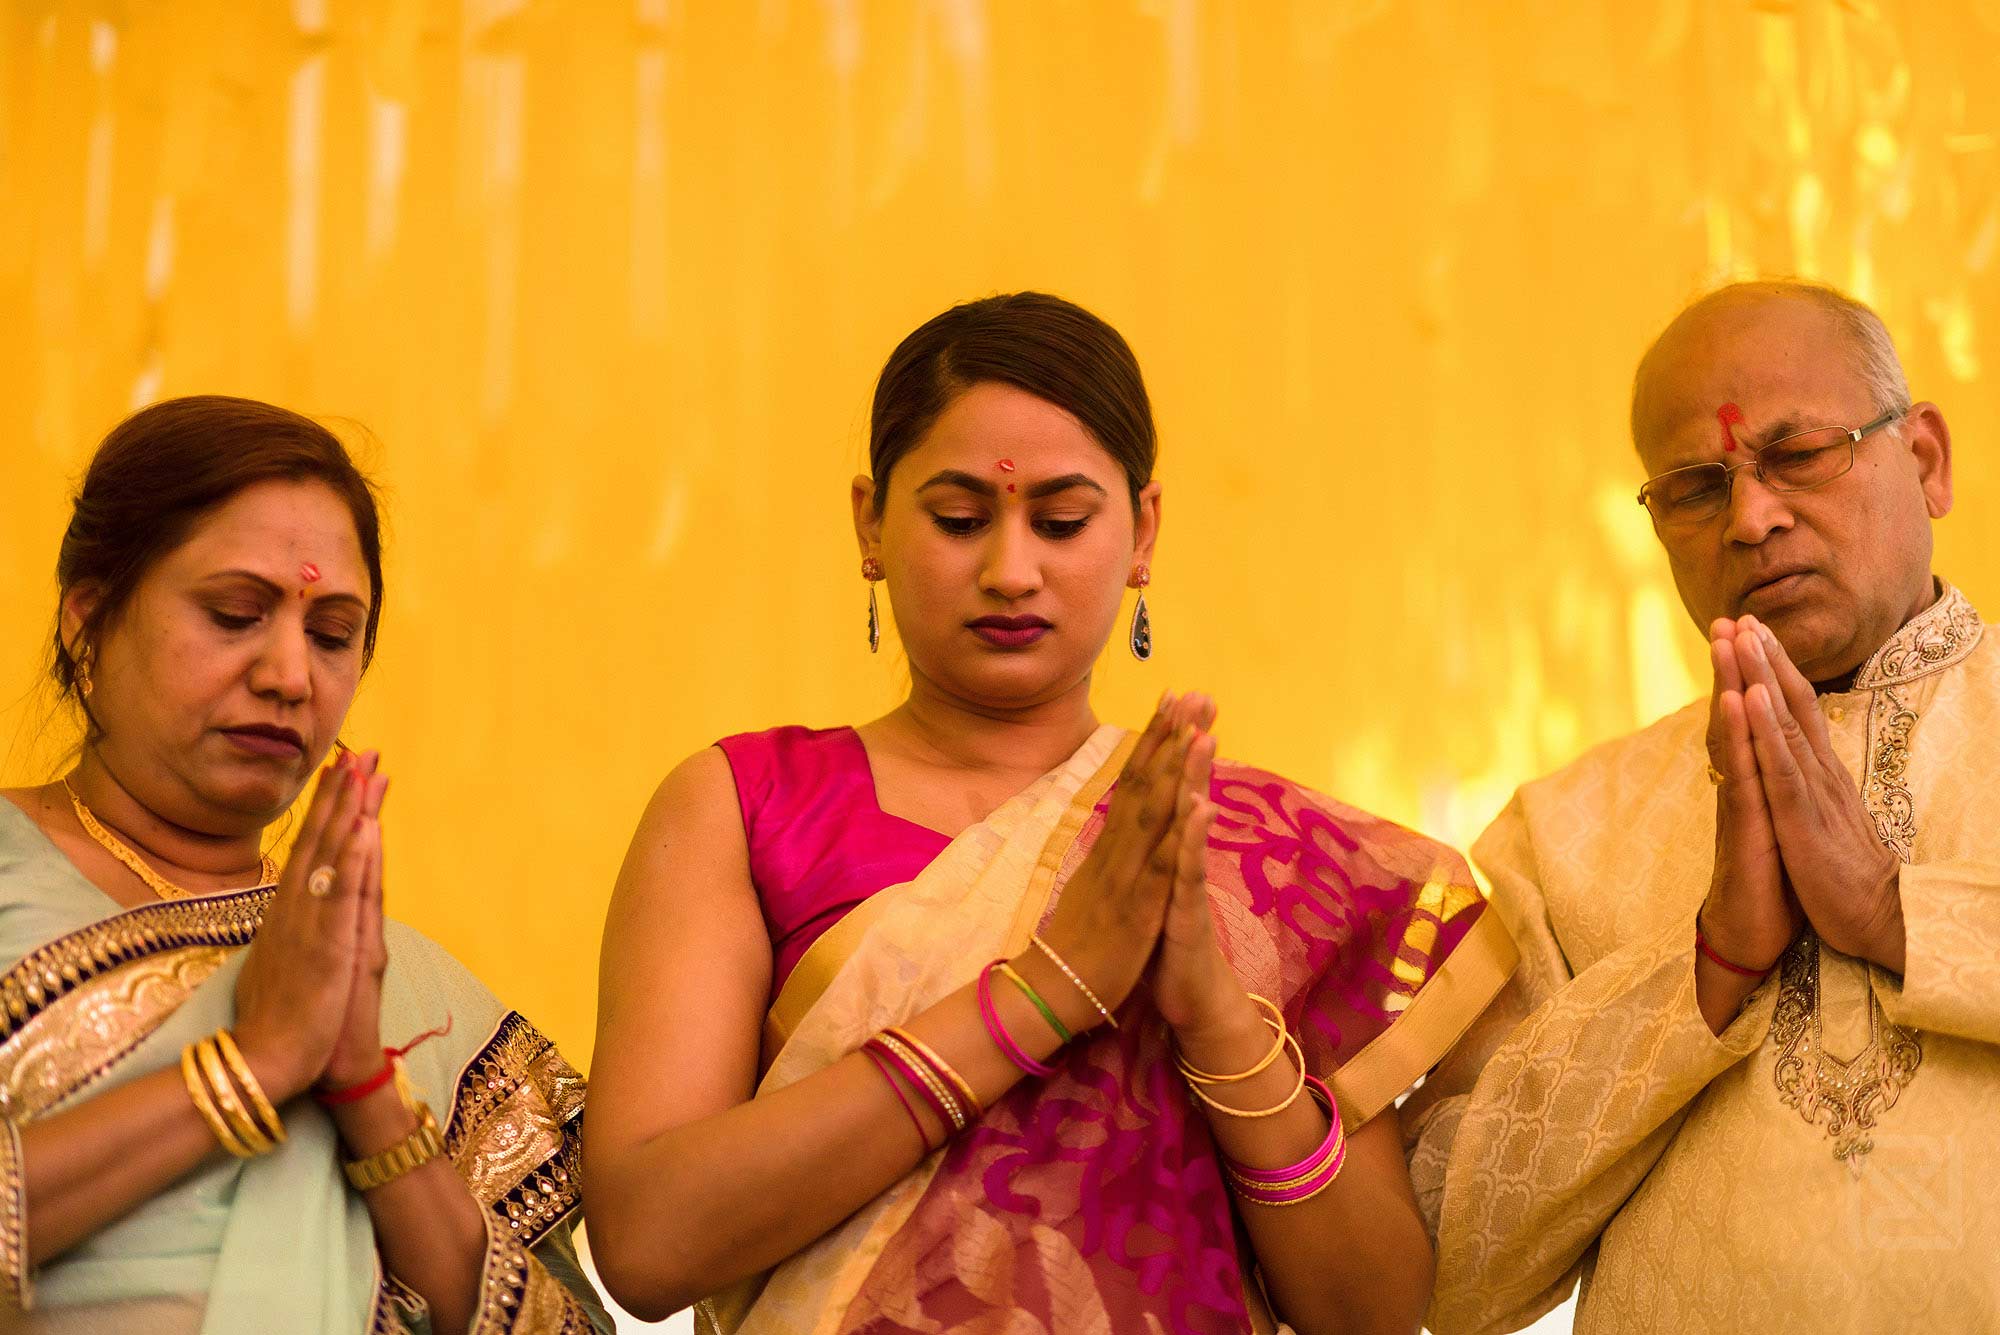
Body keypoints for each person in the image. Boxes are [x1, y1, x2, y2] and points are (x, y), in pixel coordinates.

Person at [586, 292, 1517, 1334]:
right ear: (868, 522)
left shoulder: (1255, 854)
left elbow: (1375, 1314)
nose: (1010, 570)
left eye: (1062, 521)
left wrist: (1213, 1012)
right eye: (958, 518)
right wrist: (1039, 997)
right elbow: (646, 1242)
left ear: (1143, 530)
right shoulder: (743, 806)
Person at [1407, 280, 2000, 1333]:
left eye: (1798, 454)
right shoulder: (1564, 833)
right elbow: (1446, 1258)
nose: (1751, 516)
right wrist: (1706, 970)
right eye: (1692, 486)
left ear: (1924, 461)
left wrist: (1895, 917)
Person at [0, 396, 608, 1332]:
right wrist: (255, 1063)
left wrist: (368, 1094)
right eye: (236, 614)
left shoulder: (412, 990)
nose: (290, 674)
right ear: (89, 621)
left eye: (331, 634)